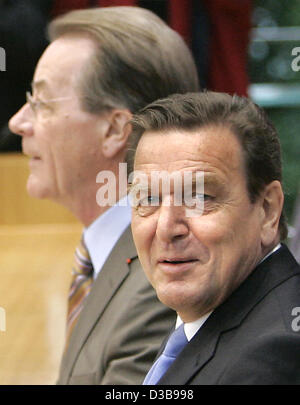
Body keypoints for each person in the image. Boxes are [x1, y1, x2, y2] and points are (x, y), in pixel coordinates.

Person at [8, 7, 200, 384]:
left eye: (42, 104)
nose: (18, 122)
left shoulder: (163, 279)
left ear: (115, 130)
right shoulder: (112, 255)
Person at [128, 91, 300, 385]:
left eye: (199, 197)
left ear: (268, 210)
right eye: (149, 197)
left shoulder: (272, 361)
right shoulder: (209, 317)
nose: (167, 228)